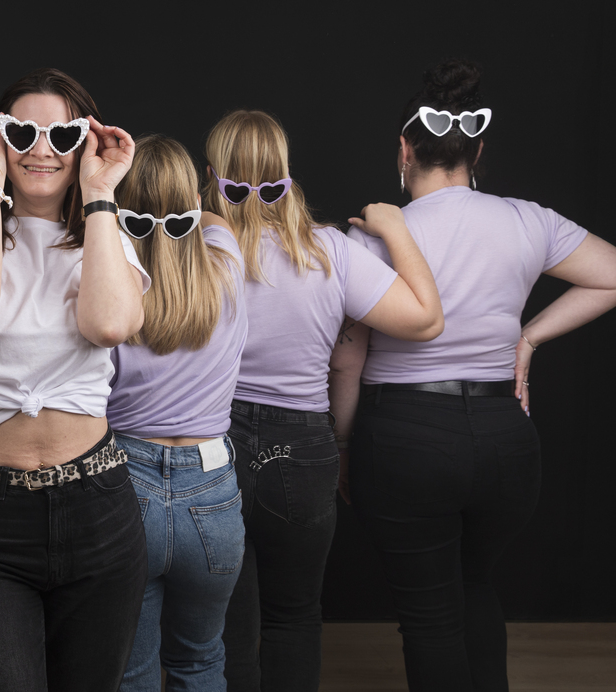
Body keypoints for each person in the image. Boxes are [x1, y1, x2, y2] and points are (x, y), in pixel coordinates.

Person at [329, 59, 616, 692]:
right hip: (506, 439)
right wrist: (528, 336)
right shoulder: (529, 220)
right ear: (478, 151)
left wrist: (343, 445)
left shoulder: (372, 236)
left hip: (405, 440)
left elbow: (348, 359)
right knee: (477, 586)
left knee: (430, 616)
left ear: (404, 150)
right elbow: (612, 274)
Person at [0, 67, 151, 692]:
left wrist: (100, 193)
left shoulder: (106, 236)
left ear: (84, 143)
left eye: (63, 134)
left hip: (96, 506)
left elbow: (109, 324)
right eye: (23, 132)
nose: (42, 149)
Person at [211, 110, 443, 692]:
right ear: (286, 174)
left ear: (212, 174)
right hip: (302, 446)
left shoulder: (194, 250)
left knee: (226, 620)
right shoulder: (329, 250)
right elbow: (424, 319)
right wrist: (397, 230)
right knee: (293, 616)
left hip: (211, 443)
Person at [105, 134, 248, 691]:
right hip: (212, 490)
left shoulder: (107, 297)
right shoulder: (228, 267)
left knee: (131, 668)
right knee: (201, 661)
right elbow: (212, 220)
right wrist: (182, 210)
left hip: (127, 484)